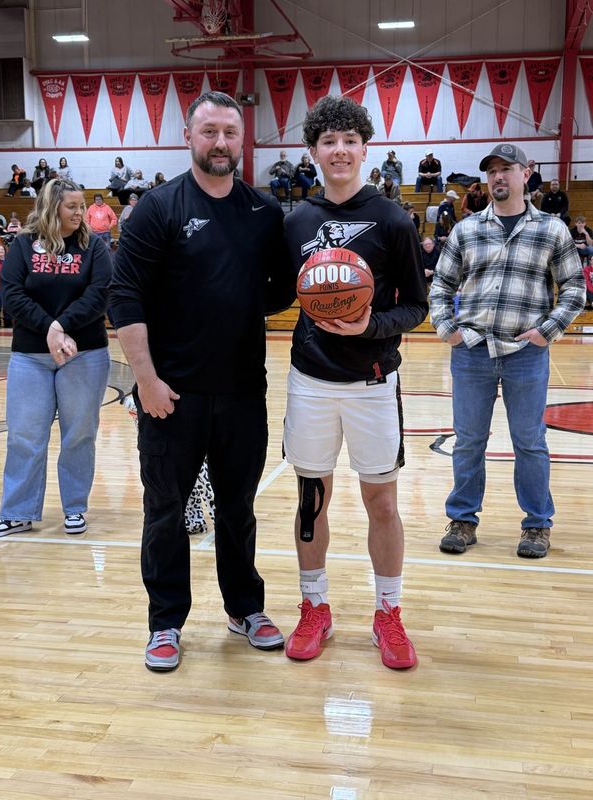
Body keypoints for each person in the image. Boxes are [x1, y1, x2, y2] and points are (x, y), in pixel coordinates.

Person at [110, 90, 295, 672]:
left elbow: (281, 290)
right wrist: (146, 380)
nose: (220, 143)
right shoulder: (157, 209)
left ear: (244, 142)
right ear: (190, 138)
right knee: (165, 510)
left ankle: (246, 608)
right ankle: (165, 622)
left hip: (243, 391)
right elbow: (125, 298)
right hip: (172, 395)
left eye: (230, 134)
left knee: (237, 508)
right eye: (209, 131)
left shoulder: (265, 212)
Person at [282, 95, 428, 670]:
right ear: (313, 152)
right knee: (311, 499)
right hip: (310, 380)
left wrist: (373, 324)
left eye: (349, 140)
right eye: (328, 141)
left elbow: (417, 306)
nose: (339, 150)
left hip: (371, 383)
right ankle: (314, 606)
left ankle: (388, 613)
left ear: (365, 149)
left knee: (382, 502)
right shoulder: (295, 221)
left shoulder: (392, 218)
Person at [429, 143, 585, 560]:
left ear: (526, 173)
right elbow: (441, 285)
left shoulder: (551, 228)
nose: (498, 176)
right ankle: (463, 519)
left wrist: (546, 330)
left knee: (530, 441)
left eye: (506, 168)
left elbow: (574, 288)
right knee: (468, 441)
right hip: (472, 350)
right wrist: (448, 329)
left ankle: (537, 525)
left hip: (525, 352)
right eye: (492, 170)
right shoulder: (467, 229)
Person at [0, 178, 112, 539]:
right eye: (72, 206)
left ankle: (74, 508)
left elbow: (99, 295)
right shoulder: (24, 246)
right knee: (25, 435)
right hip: (30, 356)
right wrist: (49, 328)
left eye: (81, 206)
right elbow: (12, 294)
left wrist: (60, 324)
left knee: (79, 434)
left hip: (85, 353)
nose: (80, 213)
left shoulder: (94, 248)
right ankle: (18, 512)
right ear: (51, 206)